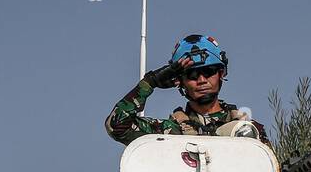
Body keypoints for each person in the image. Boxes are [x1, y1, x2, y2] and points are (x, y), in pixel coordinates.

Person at [104, 34, 267, 145]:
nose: (202, 80)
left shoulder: (248, 131)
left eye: (209, 72)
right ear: (179, 82)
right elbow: (116, 126)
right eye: (193, 74)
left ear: (221, 73)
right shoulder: (165, 133)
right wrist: (150, 82)